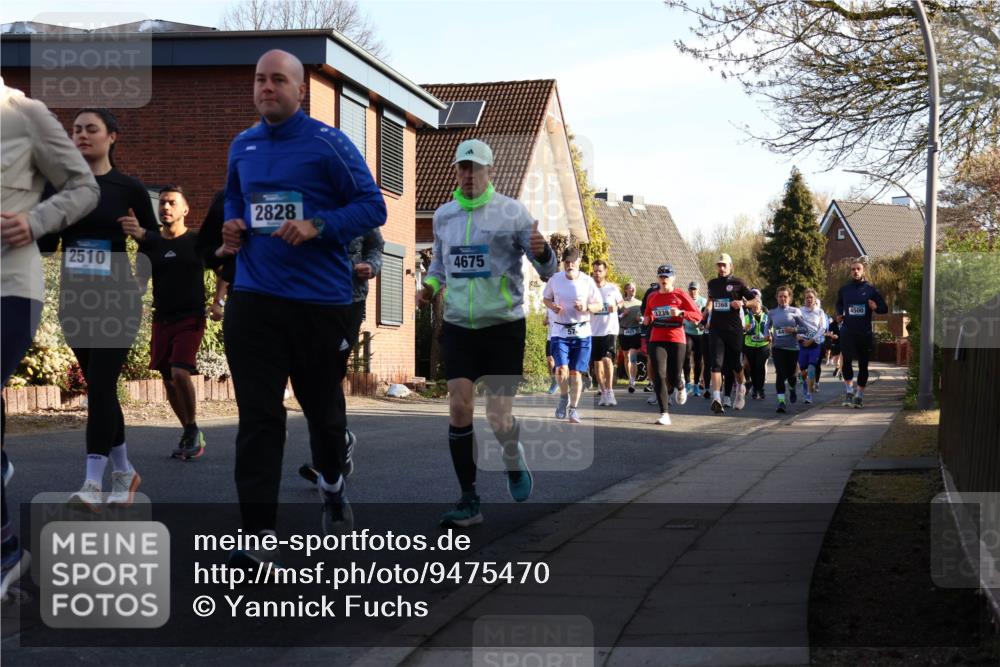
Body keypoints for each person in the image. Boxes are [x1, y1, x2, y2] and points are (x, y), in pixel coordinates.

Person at [220, 50, 386, 547]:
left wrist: (318, 225)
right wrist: (233, 224)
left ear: (300, 91)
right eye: (259, 79)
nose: (266, 88)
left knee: (324, 413)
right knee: (258, 418)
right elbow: (233, 196)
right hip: (254, 298)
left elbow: (372, 206)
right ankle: (258, 538)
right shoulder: (243, 145)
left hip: (319, 303)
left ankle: (332, 483)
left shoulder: (328, 143)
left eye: (277, 80)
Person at [418, 138, 555, 527]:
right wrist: (428, 288)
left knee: (497, 416)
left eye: (476, 168)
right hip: (460, 325)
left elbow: (545, 270)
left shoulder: (511, 213)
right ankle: (469, 499)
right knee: (460, 406)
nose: (469, 174)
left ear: (489, 171)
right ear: (456, 170)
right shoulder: (444, 215)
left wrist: (542, 251)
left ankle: (513, 459)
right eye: (463, 167)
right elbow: (439, 269)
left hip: (503, 327)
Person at [1, 80, 99, 599]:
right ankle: (8, 552)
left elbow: (84, 187)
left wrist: (34, 221)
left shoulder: (25, 113)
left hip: (10, 289)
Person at [36, 108, 158, 512]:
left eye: (91, 129)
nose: (82, 135)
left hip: (118, 300)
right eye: (76, 130)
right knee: (100, 388)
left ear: (112, 137)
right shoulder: (59, 187)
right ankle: (124, 471)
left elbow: (158, 246)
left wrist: (141, 237)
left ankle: (92, 483)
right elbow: (45, 247)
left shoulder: (129, 188)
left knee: (102, 387)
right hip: (75, 300)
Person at [123, 185, 210, 459]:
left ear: (185, 209)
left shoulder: (197, 242)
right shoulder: (151, 245)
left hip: (191, 318)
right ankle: (188, 430)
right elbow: (140, 282)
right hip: (163, 319)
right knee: (168, 381)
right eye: (162, 203)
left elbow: (223, 269)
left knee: (179, 373)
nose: (165, 208)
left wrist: (218, 301)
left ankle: (193, 427)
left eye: (172, 203)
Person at [543, 247, 602, 424]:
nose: (570, 265)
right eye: (567, 262)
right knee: (561, 370)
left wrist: (586, 307)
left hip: (582, 332)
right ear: (563, 262)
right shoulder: (555, 279)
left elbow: (598, 305)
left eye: (573, 262)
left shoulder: (587, 281)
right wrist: (552, 307)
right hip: (560, 330)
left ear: (578, 262)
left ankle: (574, 409)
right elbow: (546, 298)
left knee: (576, 374)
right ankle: (563, 398)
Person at [642, 264, 701, 425]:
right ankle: (664, 413)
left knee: (674, 376)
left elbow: (698, 315)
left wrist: (681, 313)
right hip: (657, 338)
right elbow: (648, 315)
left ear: (673, 278)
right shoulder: (652, 297)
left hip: (676, 338)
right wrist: (647, 320)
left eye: (667, 276)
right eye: (661, 277)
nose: (664, 279)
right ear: (657, 279)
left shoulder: (680, 294)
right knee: (659, 375)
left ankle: (680, 385)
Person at [705, 253, 758, 414]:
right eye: (719, 265)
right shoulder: (712, 283)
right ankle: (717, 399)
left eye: (724, 265)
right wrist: (705, 315)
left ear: (730, 266)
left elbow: (755, 301)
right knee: (716, 364)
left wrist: (743, 302)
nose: (721, 268)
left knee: (736, 364)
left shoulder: (738, 283)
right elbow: (710, 302)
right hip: (716, 329)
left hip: (734, 329)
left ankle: (741, 388)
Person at [835, 260, 888, 408]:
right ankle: (849, 392)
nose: (855, 272)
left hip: (864, 333)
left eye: (858, 269)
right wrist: (839, 313)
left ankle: (859, 395)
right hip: (848, 332)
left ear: (863, 271)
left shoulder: (871, 290)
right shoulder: (844, 289)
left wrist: (875, 307)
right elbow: (839, 303)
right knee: (846, 363)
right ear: (850, 272)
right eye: (853, 269)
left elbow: (885, 308)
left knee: (863, 366)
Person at [765, 286, 808, 413]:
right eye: (780, 296)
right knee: (780, 374)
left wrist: (793, 330)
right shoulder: (772, 312)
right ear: (777, 298)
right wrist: (767, 334)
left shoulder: (795, 311)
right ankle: (781, 402)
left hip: (793, 348)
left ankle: (792, 388)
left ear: (789, 298)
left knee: (791, 376)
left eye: (785, 296)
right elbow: (767, 326)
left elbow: (804, 329)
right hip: (778, 347)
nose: (783, 298)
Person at [589, 260, 624, 406]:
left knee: (607, 360)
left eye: (600, 271)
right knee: (597, 363)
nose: (597, 273)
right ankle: (602, 391)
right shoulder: (588, 289)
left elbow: (621, 303)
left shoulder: (612, 289)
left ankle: (610, 391)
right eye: (595, 270)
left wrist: (616, 306)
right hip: (593, 330)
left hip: (610, 330)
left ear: (605, 272)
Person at [796, 289, 827, 404]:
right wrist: (798, 335)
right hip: (802, 345)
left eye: (811, 298)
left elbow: (822, 328)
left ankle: (809, 394)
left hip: (814, 344)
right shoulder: (799, 311)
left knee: (812, 368)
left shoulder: (820, 312)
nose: (809, 299)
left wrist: (812, 339)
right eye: (807, 297)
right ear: (804, 299)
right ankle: (805, 383)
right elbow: (795, 325)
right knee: (803, 371)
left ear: (815, 300)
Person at [617, 282, 643, 393]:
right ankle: (630, 379)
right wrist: (623, 314)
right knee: (626, 357)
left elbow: (644, 319)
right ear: (626, 290)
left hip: (635, 332)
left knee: (633, 357)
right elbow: (614, 318)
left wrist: (640, 319)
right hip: (623, 332)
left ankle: (632, 381)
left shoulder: (640, 303)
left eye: (634, 288)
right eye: (630, 288)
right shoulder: (620, 303)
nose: (632, 290)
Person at [683, 281, 708, 397]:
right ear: (688, 290)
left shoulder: (703, 301)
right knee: (686, 354)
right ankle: (688, 382)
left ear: (698, 290)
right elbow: (681, 314)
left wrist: (703, 323)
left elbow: (707, 315)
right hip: (688, 331)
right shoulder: (685, 300)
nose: (693, 292)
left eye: (695, 289)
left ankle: (696, 385)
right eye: (691, 289)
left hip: (700, 333)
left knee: (698, 360)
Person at [742, 298, 770, 400]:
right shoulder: (746, 317)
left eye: (756, 307)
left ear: (761, 307)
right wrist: (745, 328)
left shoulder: (767, 317)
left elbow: (771, 329)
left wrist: (770, 335)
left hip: (763, 345)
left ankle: (760, 388)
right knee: (752, 368)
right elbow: (742, 329)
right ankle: (754, 388)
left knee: (760, 367)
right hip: (750, 345)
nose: (755, 309)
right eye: (753, 307)